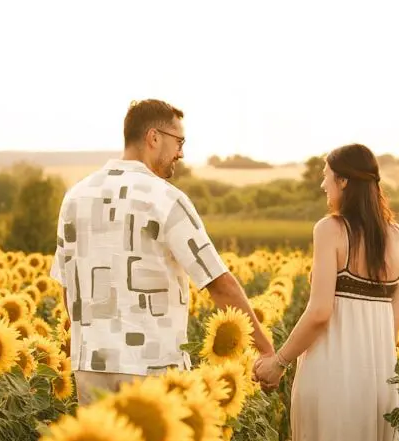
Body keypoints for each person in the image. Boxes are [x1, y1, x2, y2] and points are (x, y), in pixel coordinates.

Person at [50, 98, 277, 406]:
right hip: (152, 367)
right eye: (179, 142)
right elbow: (218, 282)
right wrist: (266, 350)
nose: (181, 153)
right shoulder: (166, 198)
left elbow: (68, 288)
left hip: (91, 365)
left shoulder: (75, 197)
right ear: (153, 137)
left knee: (104, 440)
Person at [253, 143, 399, 441]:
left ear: (343, 181)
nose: (323, 185)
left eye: (326, 176)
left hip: (332, 374)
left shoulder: (331, 230)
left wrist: (279, 362)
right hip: (380, 379)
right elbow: (395, 320)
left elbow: (320, 311)